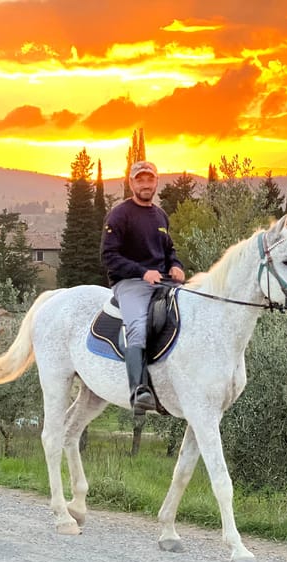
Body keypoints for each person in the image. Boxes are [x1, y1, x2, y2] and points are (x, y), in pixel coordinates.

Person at [101, 160, 185, 414]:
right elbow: (108, 256)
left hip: (162, 281)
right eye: (140, 180)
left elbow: (168, 249)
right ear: (131, 183)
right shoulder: (119, 215)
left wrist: (176, 265)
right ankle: (139, 390)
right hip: (130, 283)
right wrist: (141, 272)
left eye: (150, 179)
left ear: (156, 182)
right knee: (137, 328)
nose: (146, 184)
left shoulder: (161, 216)